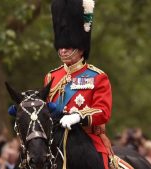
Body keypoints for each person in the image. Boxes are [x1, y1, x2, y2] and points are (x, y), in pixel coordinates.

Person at [44, 0, 112, 168]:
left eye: (67, 45)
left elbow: (103, 111)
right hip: (55, 144)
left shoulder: (97, 77)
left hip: (88, 142)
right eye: (61, 46)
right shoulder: (51, 76)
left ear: (81, 47)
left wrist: (79, 116)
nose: (63, 50)